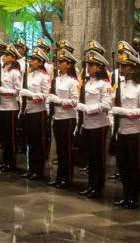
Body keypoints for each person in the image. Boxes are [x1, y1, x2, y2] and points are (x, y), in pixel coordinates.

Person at [111, 41, 140, 209]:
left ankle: (135, 196)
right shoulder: (120, 87)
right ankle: (125, 194)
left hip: (135, 131)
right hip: (122, 131)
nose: (122, 68)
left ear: (132, 69)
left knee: (135, 166)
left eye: (125, 66)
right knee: (123, 165)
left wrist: (127, 113)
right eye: (121, 65)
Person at [77, 41, 112, 199]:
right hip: (88, 124)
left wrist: (89, 109)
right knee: (90, 157)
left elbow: (106, 105)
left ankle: (98, 186)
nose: (89, 67)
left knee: (98, 157)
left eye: (92, 65)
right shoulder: (87, 82)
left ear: (99, 67)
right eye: (88, 64)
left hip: (99, 124)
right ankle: (90, 185)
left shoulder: (104, 84)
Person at [47, 48, 79, 188]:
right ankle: (60, 177)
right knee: (59, 150)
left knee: (66, 150)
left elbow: (75, 101)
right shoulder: (56, 80)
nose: (59, 64)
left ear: (69, 65)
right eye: (59, 61)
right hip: (57, 118)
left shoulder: (73, 82)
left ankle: (67, 177)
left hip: (68, 118)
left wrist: (59, 101)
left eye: (62, 62)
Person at [20, 47, 50, 180]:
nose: (30, 62)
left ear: (40, 62)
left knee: (38, 142)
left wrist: (32, 95)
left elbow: (46, 95)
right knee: (30, 141)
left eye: (33, 60)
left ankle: (39, 170)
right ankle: (31, 168)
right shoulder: (28, 75)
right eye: (31, 59)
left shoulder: (44, 77)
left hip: (39, 112)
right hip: (28, 110)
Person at [0, 43, 22, 172]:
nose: (4, 57)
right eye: (4, 55)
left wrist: (3, 90)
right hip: (2, 106)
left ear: (13, 58)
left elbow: (18, 91)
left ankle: (11, 162)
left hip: (11, 107)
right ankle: (5, 161)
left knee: (11, 137)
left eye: (8, 55)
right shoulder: (2, 71)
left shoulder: (15, 73)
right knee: (4, 136)